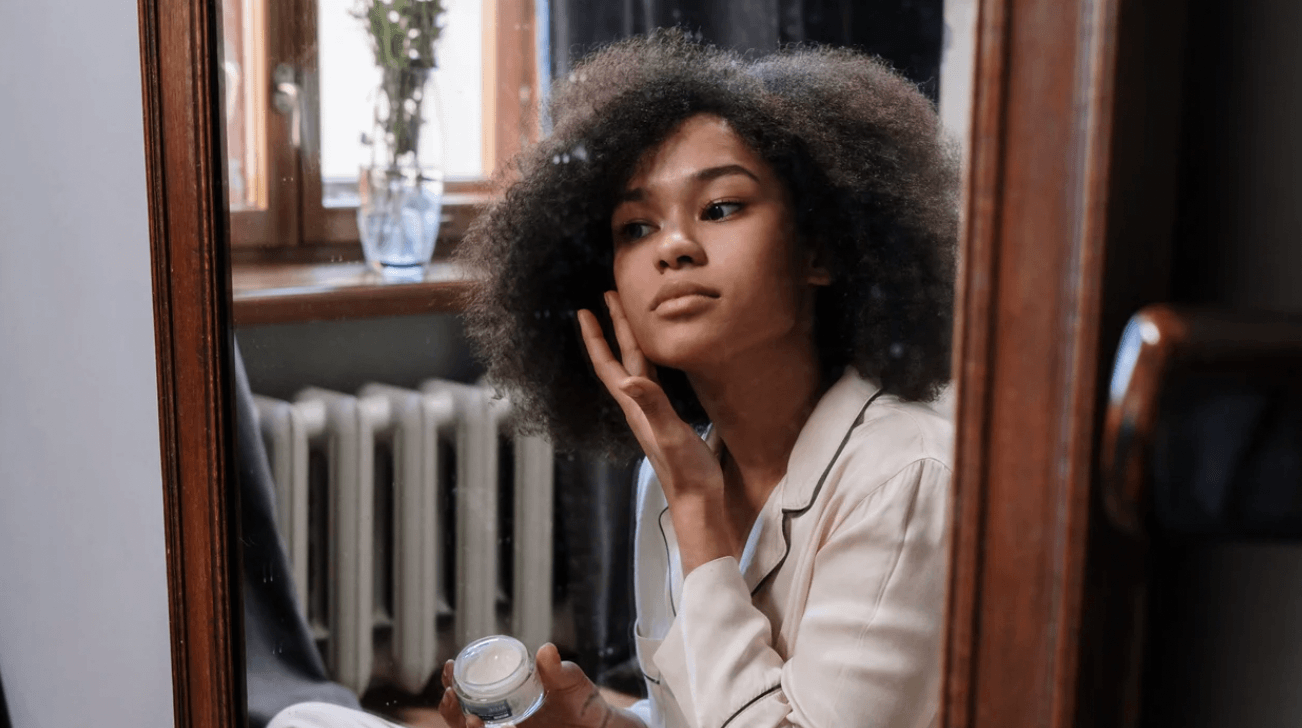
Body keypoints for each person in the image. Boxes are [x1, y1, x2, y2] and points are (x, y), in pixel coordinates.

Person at [270, 27, 957, 728]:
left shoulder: (904, 479)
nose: (674, 247)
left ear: (821, 249)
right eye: (635, 227)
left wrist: (697, 513)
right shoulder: (667, 473)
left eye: (720, 208)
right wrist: (593, 724)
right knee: (304, 722)